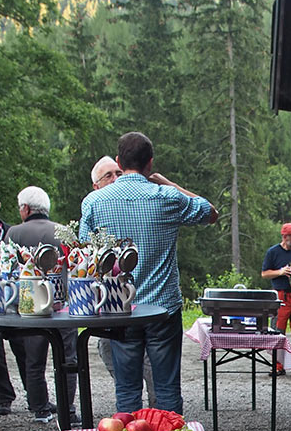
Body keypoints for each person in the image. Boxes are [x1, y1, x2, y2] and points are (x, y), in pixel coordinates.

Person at [79, 131, 218, 413]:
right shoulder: (168, 197)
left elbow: (84, 252)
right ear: (150, 162)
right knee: (167, 389)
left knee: (126, 390)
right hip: (162, 308)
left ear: (119, 161)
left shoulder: (93, 202)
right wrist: (170, 183)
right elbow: (210, 212)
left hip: (119, 307)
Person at [3, 186, 79, 424]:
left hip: (31, 306)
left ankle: (40, 409)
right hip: (63, 305)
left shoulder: (14, 233)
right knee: (69, 359)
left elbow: (7, 269)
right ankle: (69, 410)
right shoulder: (64, 231)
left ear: (25, 209)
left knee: (34, 360)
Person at [88, 156, 156, 408]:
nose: (116, 179)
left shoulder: (142, 204)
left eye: (118, 173)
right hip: (111, 310)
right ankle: (131, 422)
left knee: (155, 380)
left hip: (148, 306)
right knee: (125, 383)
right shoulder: (94, 208)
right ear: (96, 186)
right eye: (108, 176)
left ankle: (157, 420)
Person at [0, 186, 34, 416]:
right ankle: (4, 398)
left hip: (13, 300)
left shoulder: (10, 232)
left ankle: (35, 397)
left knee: (24, 348)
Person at [261, 223, 291, 378]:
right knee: (277, 334)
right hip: (280, 297)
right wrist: (280, 272)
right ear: (285, 237)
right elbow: (264, 274)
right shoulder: (273, 252)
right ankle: (278, 366)